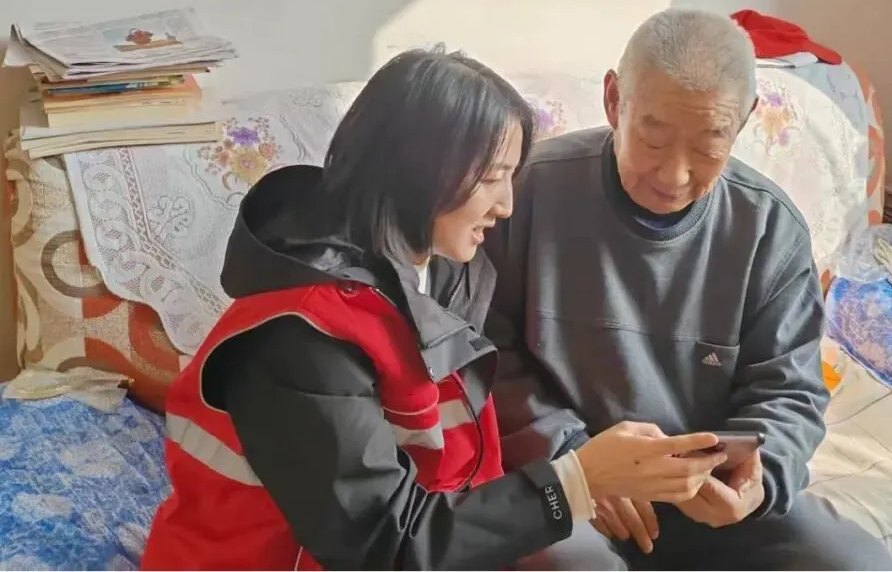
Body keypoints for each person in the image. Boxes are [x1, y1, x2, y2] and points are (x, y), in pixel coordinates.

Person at [140, 48, 730, 570]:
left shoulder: (446, 272)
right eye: (493, 179)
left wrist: (582, 473)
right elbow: (384, 545)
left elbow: (452, 475)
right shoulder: (300, 338)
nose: (506, 205)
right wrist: (576, 480)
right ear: (418, 172)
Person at [485, 10, 892, 571]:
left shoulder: (768, 229)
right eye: (652, 138)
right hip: (570, 477)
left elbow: (788, 389)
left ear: (744, 122)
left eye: (708, 147)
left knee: (852, 563)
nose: (675, 175)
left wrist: (756, 479)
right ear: (614, 101)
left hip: (703, 492)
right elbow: (482, 353)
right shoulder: (528, 193)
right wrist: (578, 463)